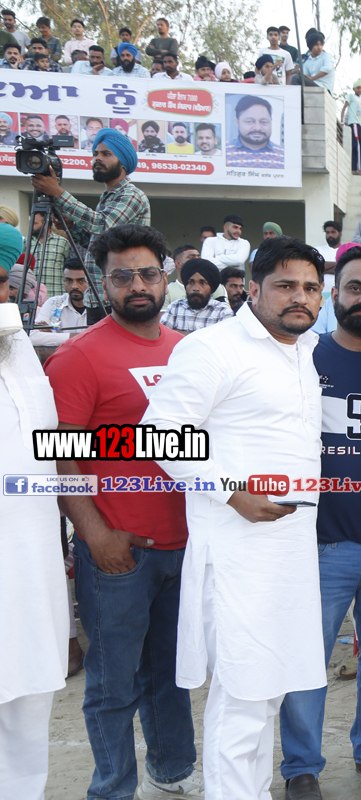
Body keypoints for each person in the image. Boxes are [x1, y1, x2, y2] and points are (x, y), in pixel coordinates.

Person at [141, 236, 328, 799]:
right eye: (286, 286)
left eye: (311, 288)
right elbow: (158, 433)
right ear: (252, 288)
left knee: (271, 689)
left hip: (291, 550)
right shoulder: (214, 347)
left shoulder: (306, 349)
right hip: (236, 552)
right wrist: (230, 493)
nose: (300, 297)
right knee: (242, 695)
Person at [44, 224, 200, 800]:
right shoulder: (78, 357)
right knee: (112, 686)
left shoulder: (189, 351)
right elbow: (60, 457)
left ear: (166, 276)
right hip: (118, 551)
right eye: (122, 276)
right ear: (103, 282)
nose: (137, 285)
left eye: (148, 273)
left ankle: (173, 772)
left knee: (172, 674)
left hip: (186, 545)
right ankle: (112, 789)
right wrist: (96, 534)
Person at [276, 246, 361, 800]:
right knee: (307, 659)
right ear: (334, 294)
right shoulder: (304, 355)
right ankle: (301, 766)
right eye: (355, 288)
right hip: (321, 541)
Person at [0, 272, 70, 800]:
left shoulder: (18, 350)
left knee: (28, 710)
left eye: (2, 284)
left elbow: (50, 445)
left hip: (32, 574)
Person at [34, 128, 150, 318]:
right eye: (95, 154)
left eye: (106, 154)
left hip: (122, 297)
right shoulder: (107, 198)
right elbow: (100, 243)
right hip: (98, 297)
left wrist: (58, 193)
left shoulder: (132, 195)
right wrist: (72, 227)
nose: (98, 158)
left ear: (123, 162)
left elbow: (102, 224)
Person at [161, 258, 233, 333]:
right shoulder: (175, 307)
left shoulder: (223, 312)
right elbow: (163, 334)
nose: (196, 288)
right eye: (191, 283)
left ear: (211, 287)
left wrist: (177, 333)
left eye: (203, 283)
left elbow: (223, 339)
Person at [30, 259, 89, 346]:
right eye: (69, 280)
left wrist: (53, 336)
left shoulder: (101, 306)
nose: (74, 286)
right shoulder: (54, 303)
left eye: (81, 281)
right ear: (64, 281)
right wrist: (79, 337)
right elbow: (34, 337)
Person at [226, 95, 285, 169]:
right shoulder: (224, 153)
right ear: (237, 122)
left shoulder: (284, 156)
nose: (257, 128)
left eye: (263, 122)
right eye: (250, 122)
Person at [343, 80, 361, 174]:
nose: (360, 90)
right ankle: (358, 168)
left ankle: (356, 168)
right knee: (358, 145)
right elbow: (344, 107)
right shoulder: (351, 96)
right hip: (354, 123)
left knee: (360, 145)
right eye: (358, 88)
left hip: (359, 125)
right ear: (354, 88)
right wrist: (342, 120)